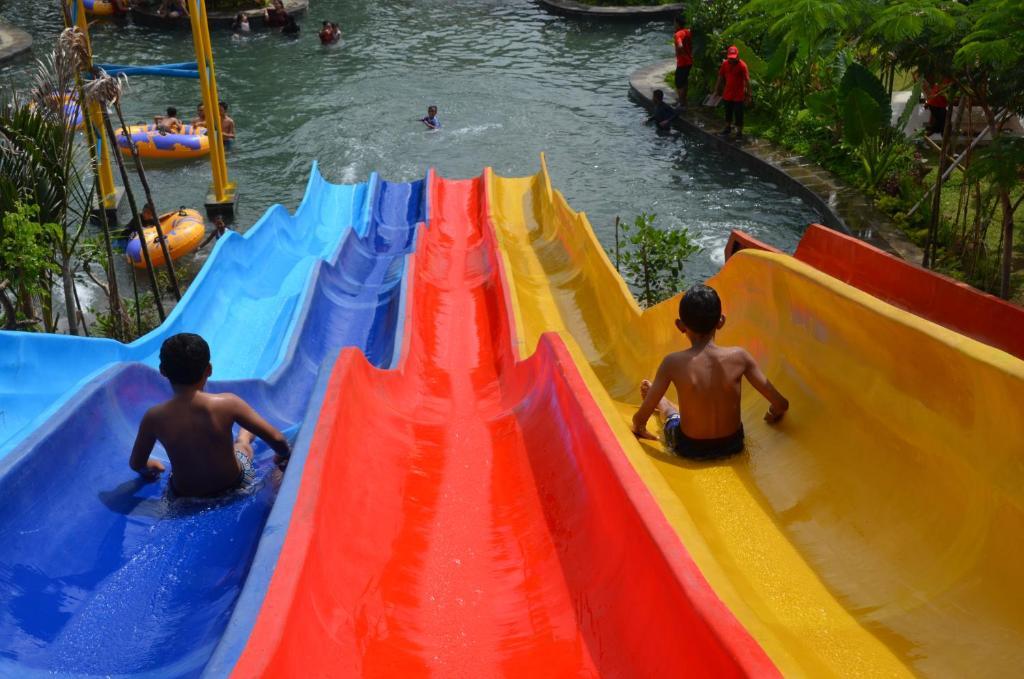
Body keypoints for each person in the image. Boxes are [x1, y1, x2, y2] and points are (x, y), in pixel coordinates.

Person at [632, 284, 789, 460]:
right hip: (733, 445)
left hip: (689, 448)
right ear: (721, 321)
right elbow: (781, 404)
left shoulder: (672, 363)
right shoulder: (740, 357)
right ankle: (664, 404)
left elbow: (640, 420)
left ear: (680, 325)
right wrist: (773, 414)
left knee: (672, 415)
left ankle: (664, 404)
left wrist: (639, 426)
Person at [129, 333, 291, 498]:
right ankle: (243, 438)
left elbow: (136, 463)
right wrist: (283, 455)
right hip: (234, 484)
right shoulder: (228, 403)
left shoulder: (154, 417)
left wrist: (149, 468)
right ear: (209, 369)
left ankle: (243, 437)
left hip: (184, 495)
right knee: (241, 449)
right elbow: (278, 440)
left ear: (163, 371)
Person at [714, 45, 751, 141]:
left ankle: (739, 132)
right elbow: (720, 77)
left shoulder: (742, 65)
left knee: (739, 113)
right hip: (728, 93)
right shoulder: (725, 64)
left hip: (739, 95)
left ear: (737, 56)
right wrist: (716, 89)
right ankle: (727, 128)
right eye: (730, 58)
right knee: (728, 112)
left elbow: (747, 81)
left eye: (733, 58)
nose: (732, 60)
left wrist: (749, 95)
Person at [672, 14, 693, 108]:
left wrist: (682, 53)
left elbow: (680, 45)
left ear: (677, 23)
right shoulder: (688, 32)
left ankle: (680, 103)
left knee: (679, 83)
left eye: (674, 22)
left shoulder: (678, 34)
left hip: (683, 62)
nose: (674, 24)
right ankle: (684, 102)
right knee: (684, 82)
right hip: (689, 62)